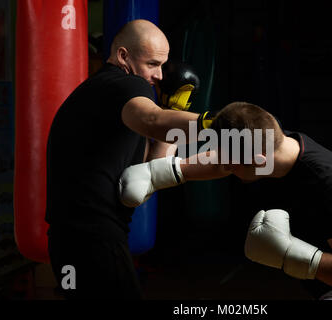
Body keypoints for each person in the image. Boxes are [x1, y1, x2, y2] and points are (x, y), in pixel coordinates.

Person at [45, 19, 226, 299]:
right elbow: (153, 119)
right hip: (94, 236)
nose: (160, 76)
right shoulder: (127, 85)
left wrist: (172, 111)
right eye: (152, 64)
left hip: (68, 242)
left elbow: (146, 173)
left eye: (162, 66)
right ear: (123, 57)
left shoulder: (106, 96)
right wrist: (220, 124)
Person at [207, 101, 332, 300]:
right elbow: (216, 158)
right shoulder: (274, 140)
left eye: (230, 163)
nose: (223, 166)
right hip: (331, 287)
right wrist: (176, 170)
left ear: (259, 160)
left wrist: (289, 252)